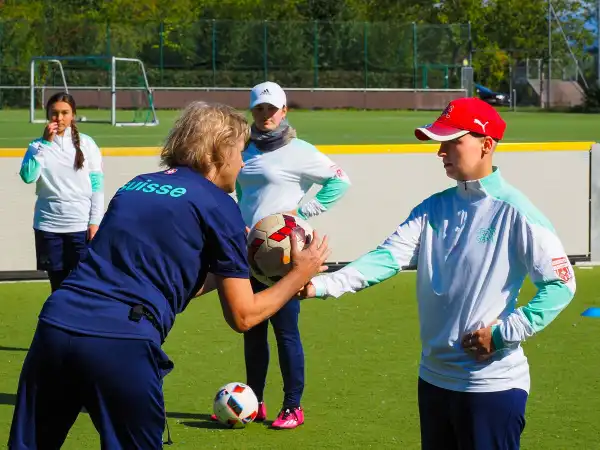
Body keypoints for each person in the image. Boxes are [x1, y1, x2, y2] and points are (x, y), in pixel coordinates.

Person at [8, 101, 330, 449]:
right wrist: (299, 274)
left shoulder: (136, 185)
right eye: (240, 151)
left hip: (55, 326)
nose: (242, 162)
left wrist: (238, 265)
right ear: (215, 152)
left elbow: (162, 280)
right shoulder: (221, 206)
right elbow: (243, 315)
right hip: (121, 344)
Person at [303, 97, 576, 449]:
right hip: (433, 381)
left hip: (490, 386)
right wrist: (318, 285)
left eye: (452, 141)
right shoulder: (433, 207)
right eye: (440, 143)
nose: (441, 152)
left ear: (487, 145)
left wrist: (505, 333)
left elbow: (560, 285)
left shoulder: (517, 212)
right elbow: (386, 259)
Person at [221, 81, 351, 429]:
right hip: (247, 252)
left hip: (284, 258)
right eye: (259, 109)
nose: (266, 115)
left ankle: (293, 406)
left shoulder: (300, 150)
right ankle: (254, 402)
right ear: (253, 112)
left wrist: (303, 216)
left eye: (272, 109)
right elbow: (238, 195)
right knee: (252, 329)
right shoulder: (242, 149)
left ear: (284, 112)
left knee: (285, 331)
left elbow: (341, 181)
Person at [19, 92, 105, 292]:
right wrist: (45, 144)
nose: (59, 118)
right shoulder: (36, 146)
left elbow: (97, 186)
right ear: (48, 115)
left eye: (65, 113)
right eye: (54, 113)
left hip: (79, 225)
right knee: (57, 286)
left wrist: (95, 222)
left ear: (73, 114)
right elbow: (28, 177)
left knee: (81, 285)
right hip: (48, 226)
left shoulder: (87, 144)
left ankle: (81, 322)